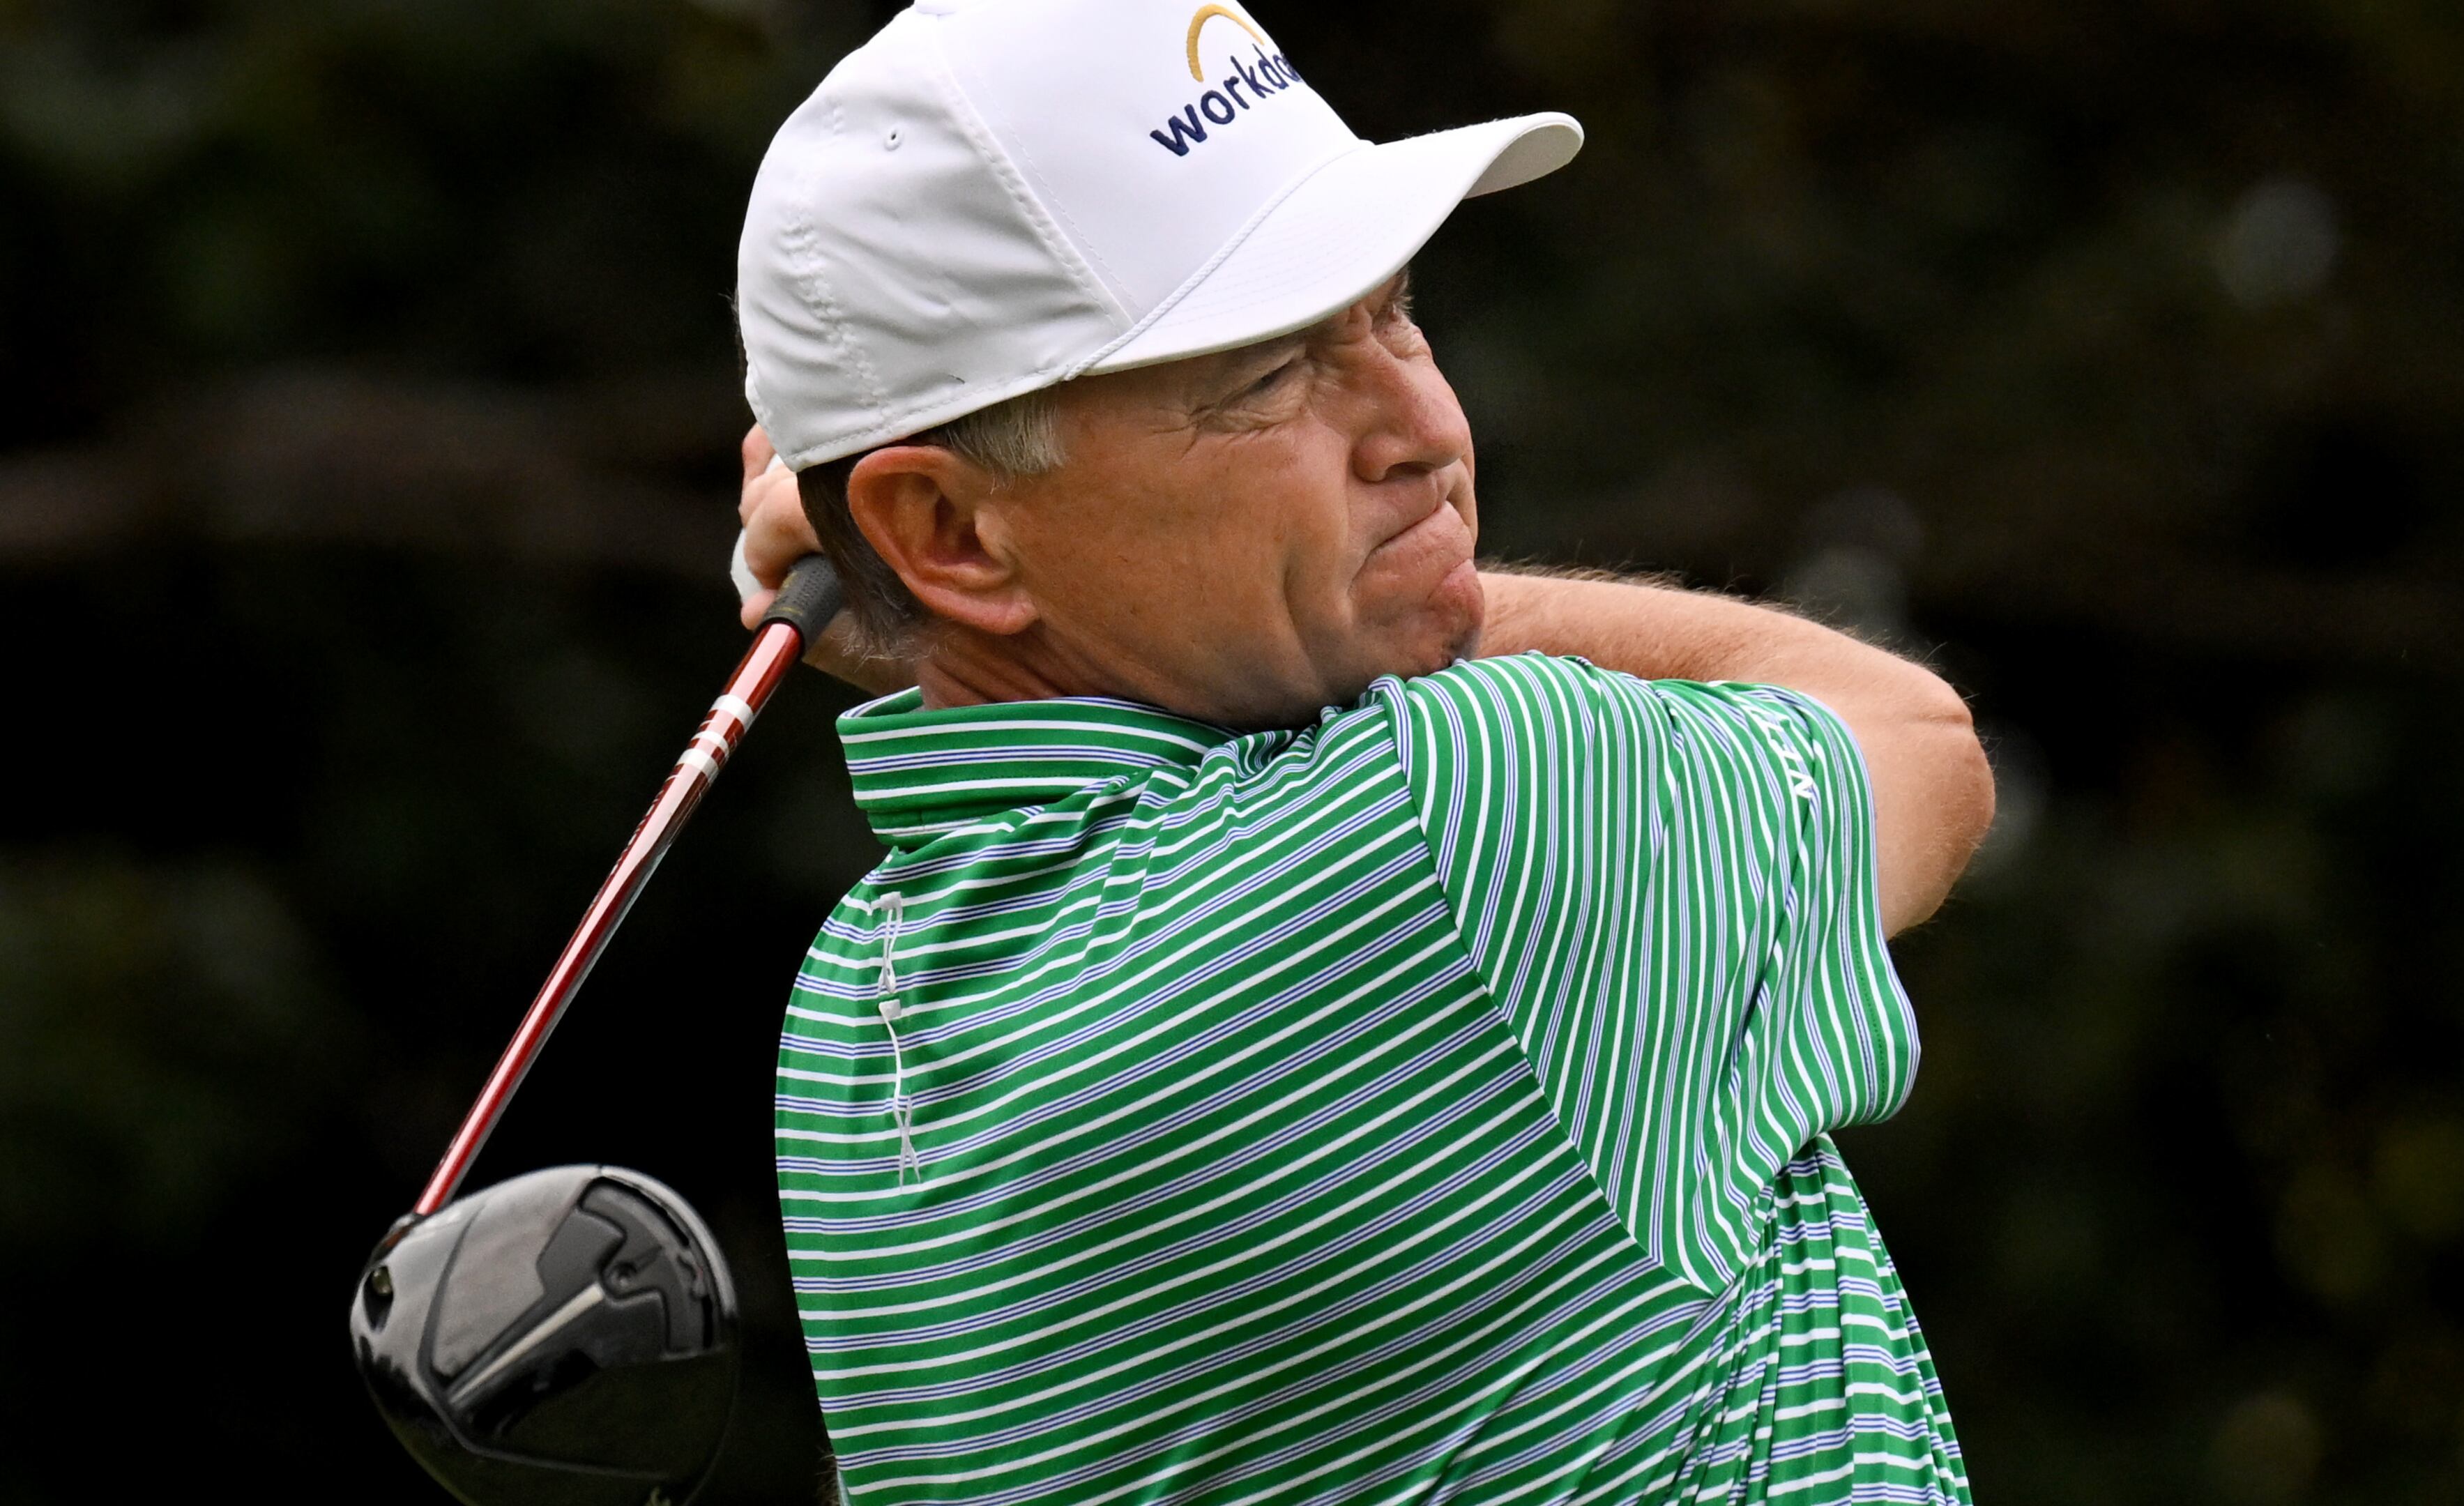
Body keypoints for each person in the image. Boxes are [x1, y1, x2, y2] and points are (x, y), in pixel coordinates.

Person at [729, 2, 1995, 1501]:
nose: (1422, 427)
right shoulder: (1460, 820)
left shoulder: (848, 1045)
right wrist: (1416, 603)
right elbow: (1917, 736)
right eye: (1265, 377)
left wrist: (964, 620)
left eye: (1393, 311)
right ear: (943, 527)